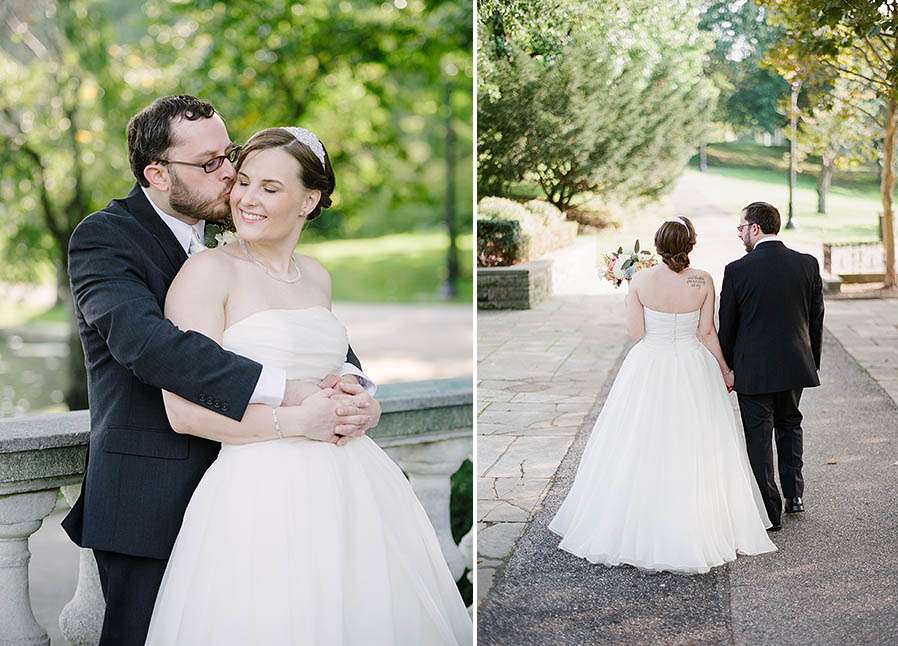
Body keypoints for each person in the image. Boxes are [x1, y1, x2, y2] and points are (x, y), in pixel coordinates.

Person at [64, 95, 380, 645]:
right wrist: (290, 393)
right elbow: (149, 346)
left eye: (229, 154)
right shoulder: (105, 238)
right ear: (157, 173)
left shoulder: (240, 241)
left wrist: (355, 389)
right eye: (210, 164)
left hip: (258, 493)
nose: (231, 174)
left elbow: (312, 336)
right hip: (150, 497)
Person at [144, 126, 472, 645]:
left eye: (270, 189)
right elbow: (184, 412)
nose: (247, 200)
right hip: (259, 493)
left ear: (309, 199)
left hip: (354, 486)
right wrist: (297, 420)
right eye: (244, 182)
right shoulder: (207, 274)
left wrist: (363, 406)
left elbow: (332, 368)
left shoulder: (317, 277)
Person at [548, 216, 776, 574]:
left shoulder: (639, 280)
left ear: (656, 246)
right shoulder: (702, 280)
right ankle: (696, 521)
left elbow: (637, 333)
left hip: (649, 364)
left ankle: (640, 519)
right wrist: (725, 370)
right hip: (691, 365)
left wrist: (635, 298)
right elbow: (706, 332)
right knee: (695, 442)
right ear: (691, 245)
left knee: (641, 440)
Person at [718, 201, 824, 530]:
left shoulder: (737, 270)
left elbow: (728, 325)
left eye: (741, 227)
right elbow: (816, 317)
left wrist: (728, 368)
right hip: (795, 364)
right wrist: (811, 360)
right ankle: (795, 496)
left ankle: (769, 510)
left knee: (759, 437)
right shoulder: (807, 264)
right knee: (790, 425)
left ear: (756, 229)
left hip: (753, 371)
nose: (739, 233)